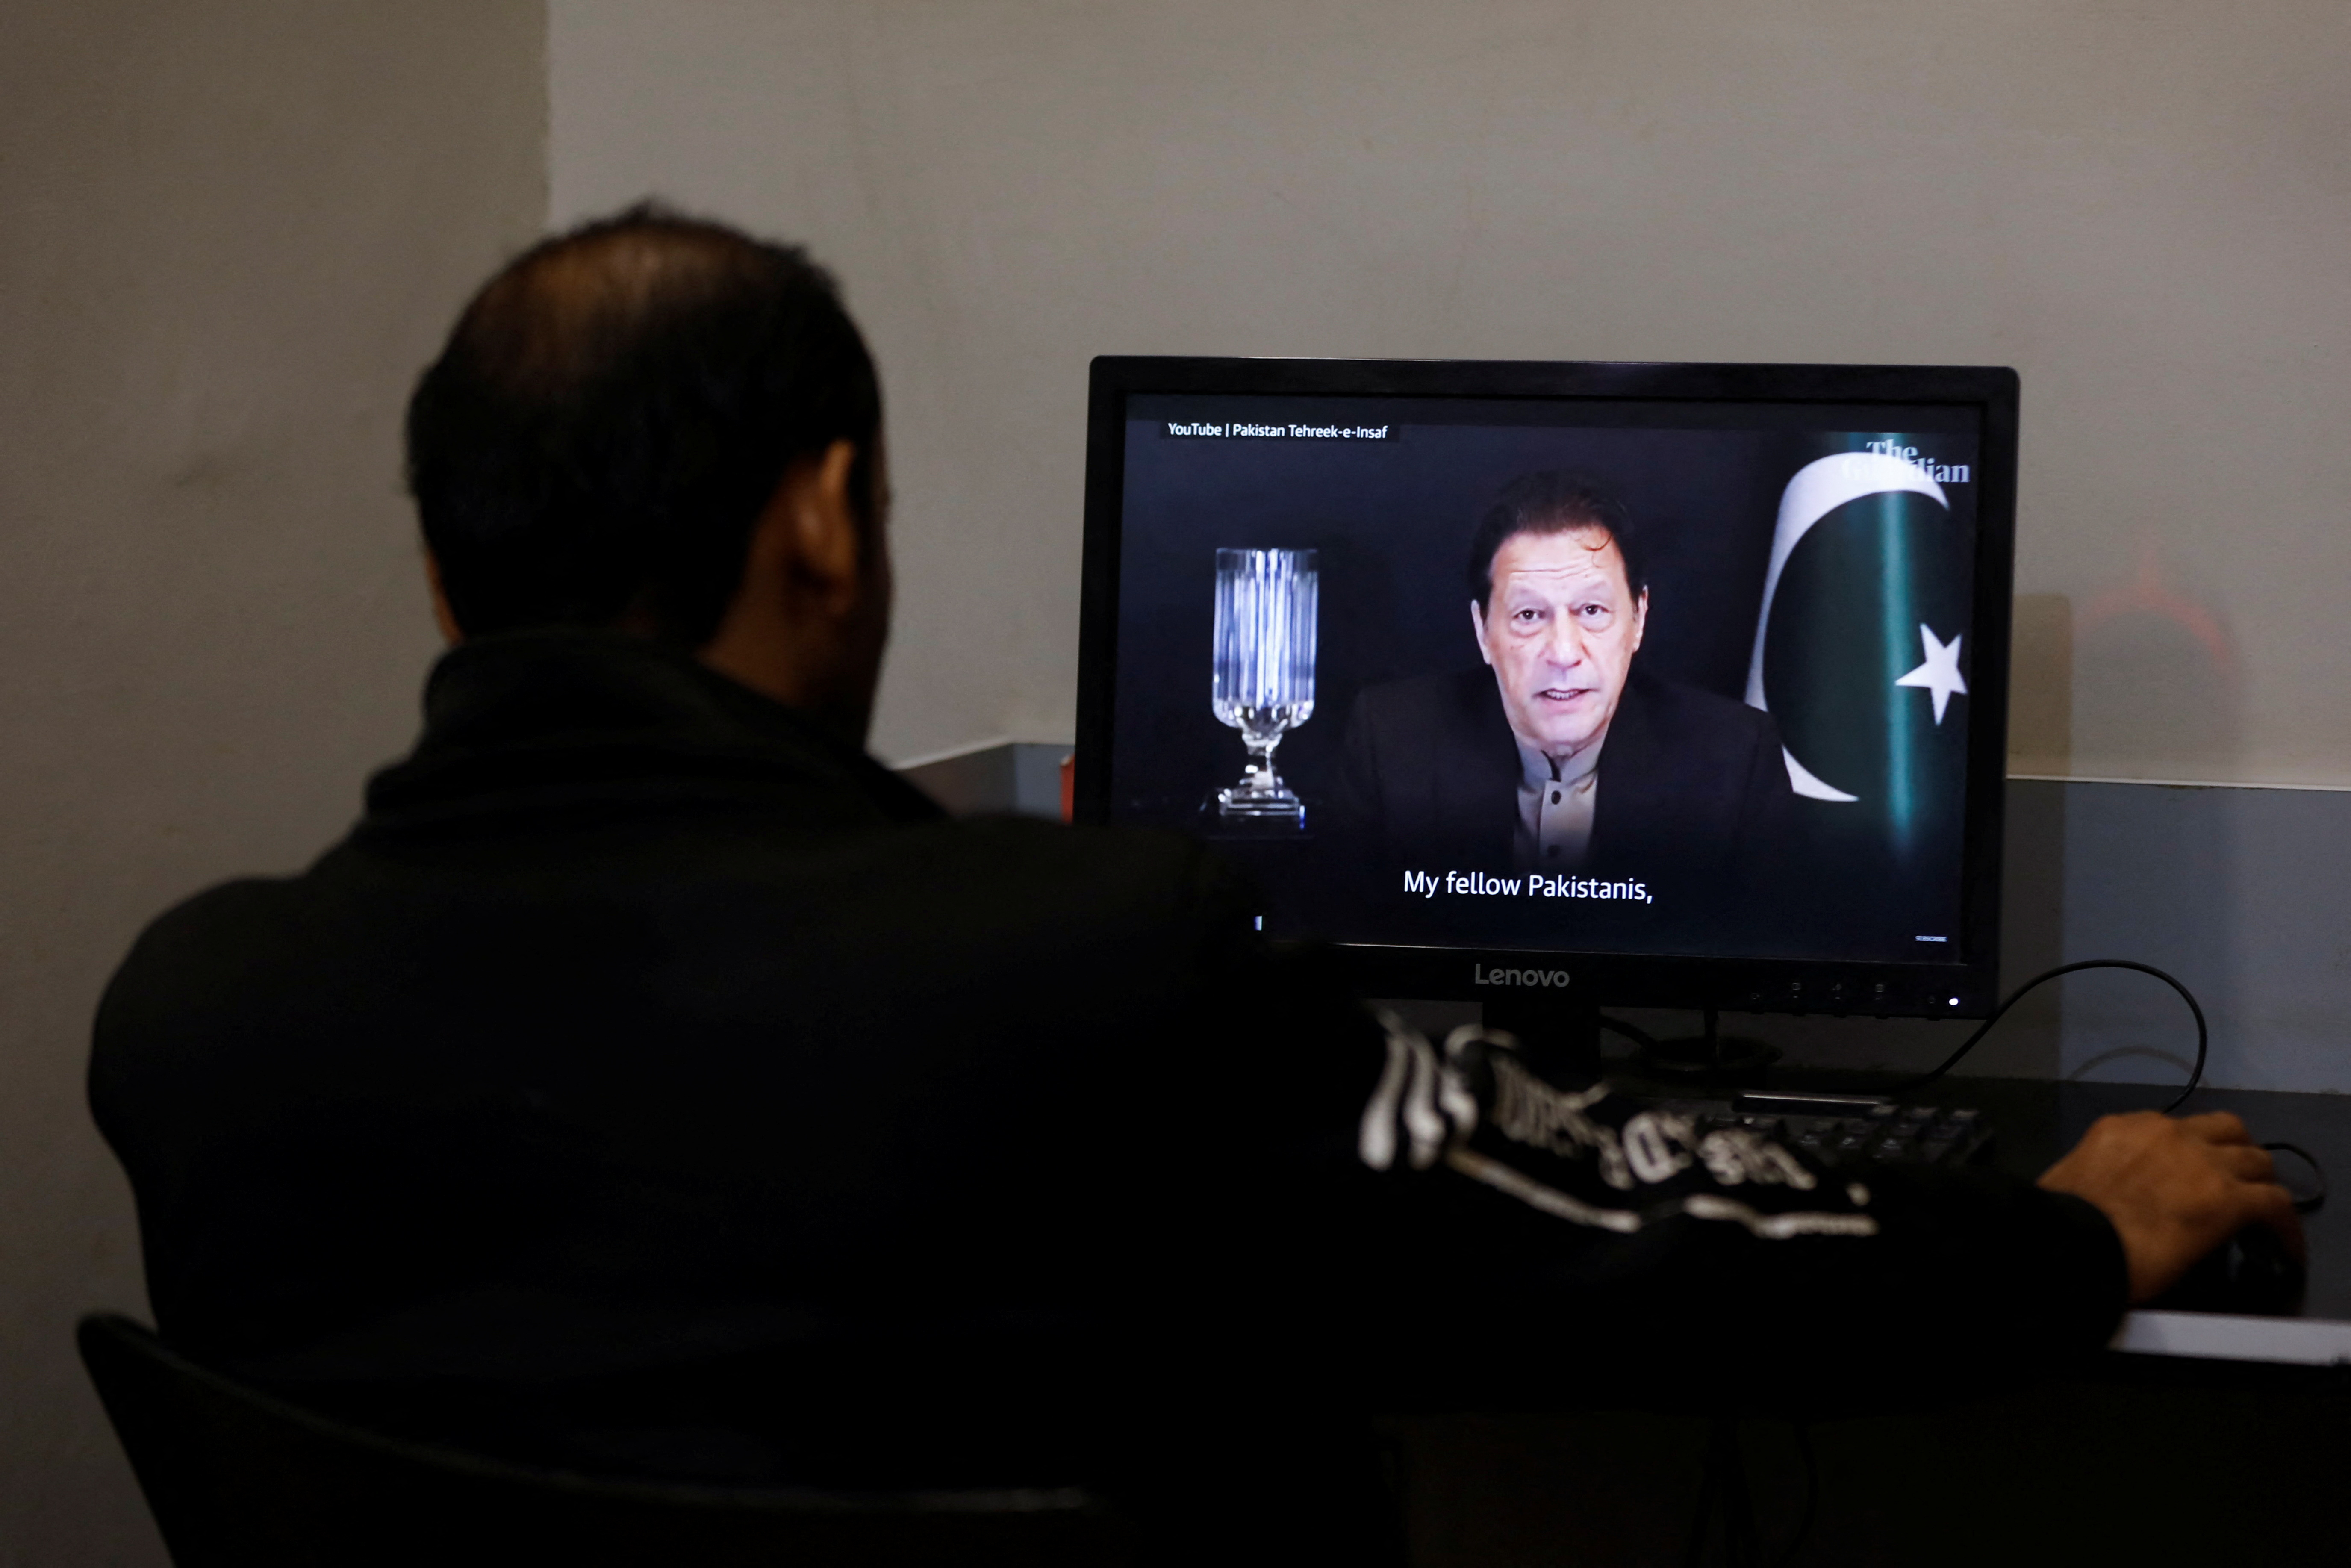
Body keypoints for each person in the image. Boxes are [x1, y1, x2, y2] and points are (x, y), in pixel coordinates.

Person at [90, 207, 2299, 1563]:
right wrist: (2049, 1237)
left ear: (435, 562)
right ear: (828, 518)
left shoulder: (190, 1018)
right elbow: (1632, 1240)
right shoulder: (1082, 967)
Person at [1334, 472, 1795, 886]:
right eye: (1529, 614)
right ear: (1483, 631)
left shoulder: (1734, 758)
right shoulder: (1391, 743)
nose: (1563, 653)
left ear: (1638, 619)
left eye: (1592, 611)